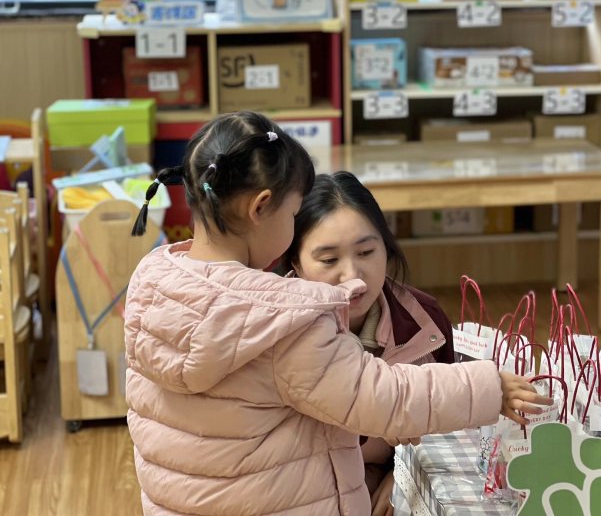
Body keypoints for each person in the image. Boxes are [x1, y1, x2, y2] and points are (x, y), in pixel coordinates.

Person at [124, 111, 551, 516]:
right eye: (293, 214)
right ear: (261, 208)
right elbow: (381, 397)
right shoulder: (281, 320)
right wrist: (490, 387)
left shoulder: (155, 285)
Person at [282, 172, 456, 516]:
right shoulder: (274, 332)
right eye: (329, 260)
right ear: (296, 264)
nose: (352, 274)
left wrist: (405, 472)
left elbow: (448, 423)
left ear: (386, 249)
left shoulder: (425, 321)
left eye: (366, 251)